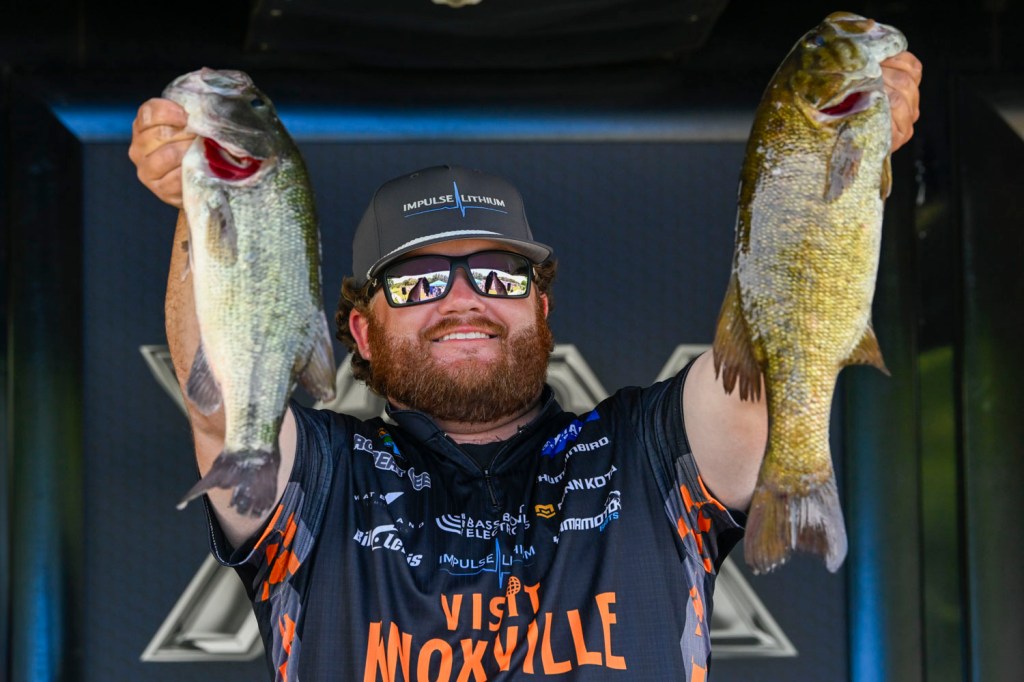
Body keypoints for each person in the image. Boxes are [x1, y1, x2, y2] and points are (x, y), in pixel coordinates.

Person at [129, 48, 921, 682]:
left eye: (500, 276)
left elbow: (768, 373)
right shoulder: (325, 474)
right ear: (361, 333)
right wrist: (204, 201)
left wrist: (834, 158)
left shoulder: (645, 451)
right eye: (418, 282)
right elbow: (222, 409)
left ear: (541, 310)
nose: (464, 299)